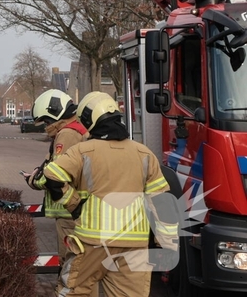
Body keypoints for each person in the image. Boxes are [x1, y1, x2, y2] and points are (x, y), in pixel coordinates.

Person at [42, 92, 178, 297]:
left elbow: (52, 176)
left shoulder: (82, 151)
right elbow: (162, 203)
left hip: (92, 243)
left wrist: (74, 205)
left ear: (89, 120)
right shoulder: (144, 154)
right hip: (134, 249)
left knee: (74, 292)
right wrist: (167, 245)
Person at [25, 89, 88, 280]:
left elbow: (56, 173)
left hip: (70, 212)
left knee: (71, 265)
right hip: (75, 210)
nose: (46, 126)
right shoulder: (78, 129)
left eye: (46, 121)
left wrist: (33, 180)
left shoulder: (67, 134)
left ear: (54, 114)